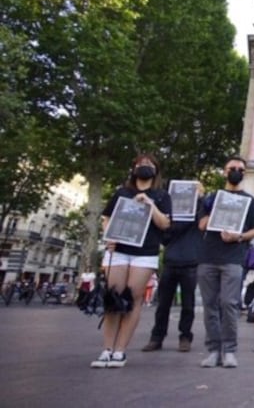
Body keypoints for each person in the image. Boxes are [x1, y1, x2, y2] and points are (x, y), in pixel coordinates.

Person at [91, 153, 172, 369]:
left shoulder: (162, 196)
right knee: (114, 299)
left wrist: (150, 204)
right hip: (119, 250)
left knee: (134, 299)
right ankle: (107, 349)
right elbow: (106, 218)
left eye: (149, 164)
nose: (145, 167)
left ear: (156, 170)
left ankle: (120, 351)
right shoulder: (122, 193)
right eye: (141, 164)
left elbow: (164, 223)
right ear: (134, 168)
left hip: (145, 252)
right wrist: (108, 236)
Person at [197, 156, 254, 368]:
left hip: (234, 258)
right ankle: (214, 350)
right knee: (210, 306)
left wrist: (239, 237)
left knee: (229, 304)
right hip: (208, 256)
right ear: (224, 172)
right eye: (232, 168)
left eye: (240, 169)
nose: (236, 171)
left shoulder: (249, 201)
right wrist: (215, 211)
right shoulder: (211, 197)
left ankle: (230, 350)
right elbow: (201, 224)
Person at [142, 187, 204, 352]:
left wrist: (199, 199)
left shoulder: (199, 211)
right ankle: (158, 336)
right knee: (163, 304)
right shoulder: (169, 214)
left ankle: (183, 336)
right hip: (173, 261)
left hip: (189, 262)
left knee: (187, 304)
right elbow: (164, 233)